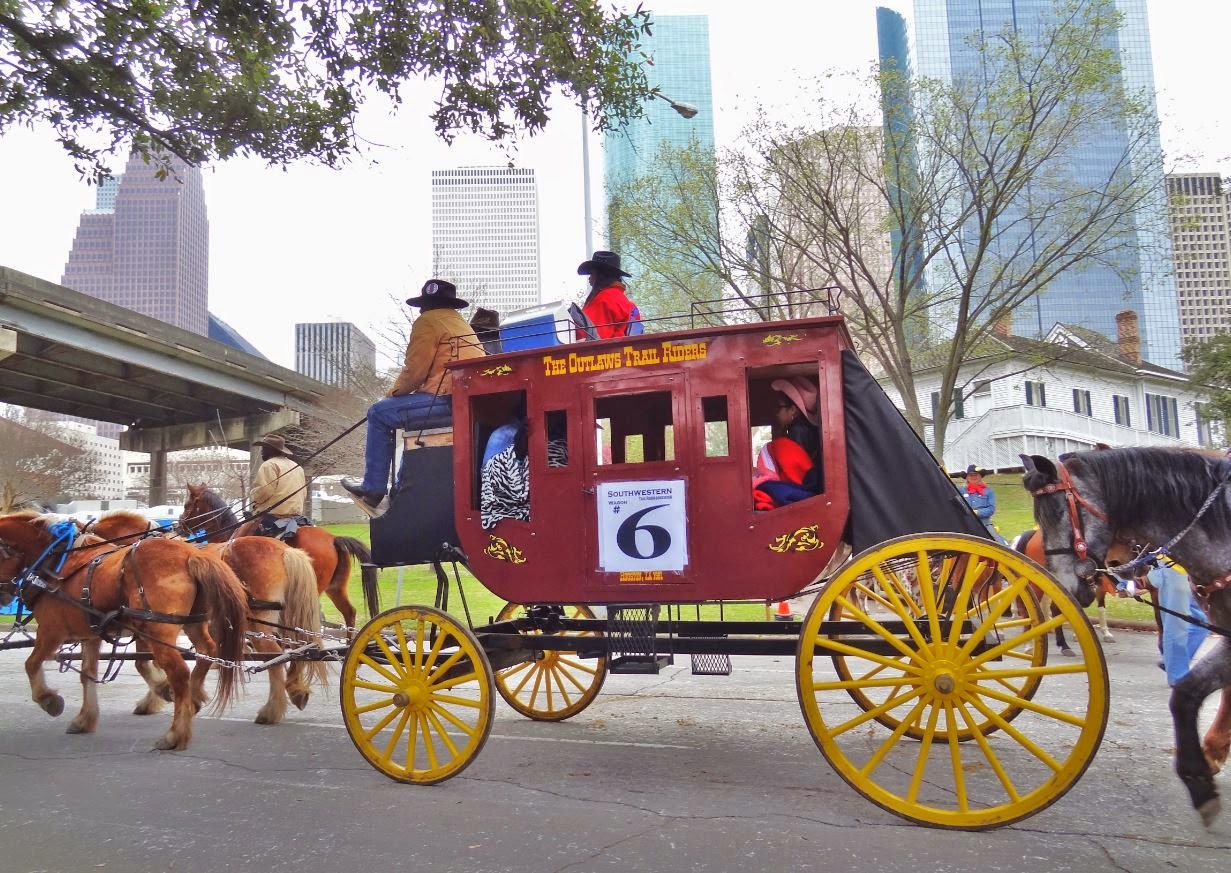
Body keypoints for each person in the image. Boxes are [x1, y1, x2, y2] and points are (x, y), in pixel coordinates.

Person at [342, 279, 485, 510]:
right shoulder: (460, 323)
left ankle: (373, 488)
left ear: (427, 305)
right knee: (409, 426)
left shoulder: (427, 321)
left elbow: (414, 371)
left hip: (445, 400)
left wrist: (393, 393)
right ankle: (398, 488)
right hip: (466, 400)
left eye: (422, 305)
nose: (420, 310)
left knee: (378, 413)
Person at [753, 376, 821, 510]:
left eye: (779, 407)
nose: (776, 413)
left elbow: (796, 473)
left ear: (793, 410)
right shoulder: (802, 429)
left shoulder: (798, 431)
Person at [577, 250, 642, 339]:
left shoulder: (604, 299)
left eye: (592, 273)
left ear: (601, 275)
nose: (589, 278)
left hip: (606, 348)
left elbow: (589, 334)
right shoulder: (628, 303)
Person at [250, 434, 307, 530]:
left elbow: (265, 491)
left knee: (242, 534)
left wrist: (254, 496)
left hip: (273, 517)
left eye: (264, 448)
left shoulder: (269, 465)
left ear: (270, 450)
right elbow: (304, 493)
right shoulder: (297, 466)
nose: (262, 452)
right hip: (296, 517)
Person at [961, 464, 1006, 544]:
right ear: (967, 477)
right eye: (971, 475)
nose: (973, 477)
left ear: (980, 476)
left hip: (985, 524)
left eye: (976, 475)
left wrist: (978, 512)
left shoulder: (988, 491)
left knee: (999, 543)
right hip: (965, 525)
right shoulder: (961, 491)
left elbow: (991, 509)